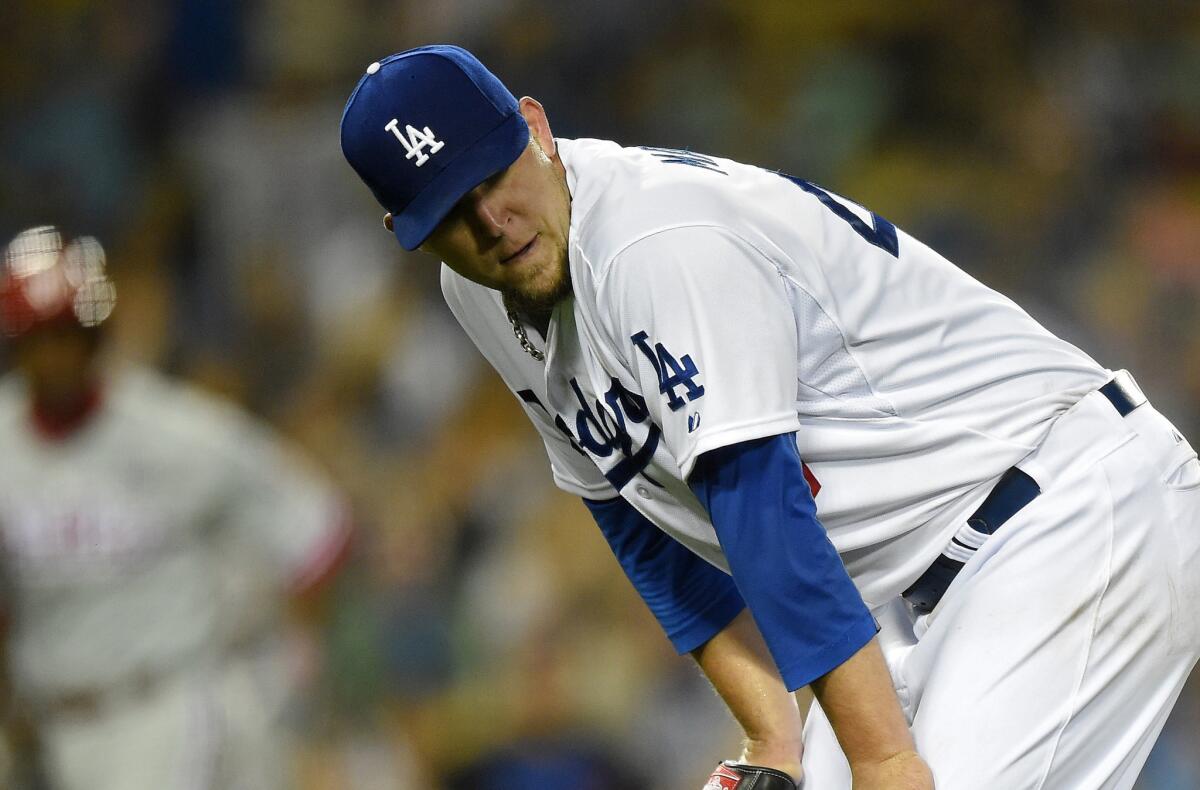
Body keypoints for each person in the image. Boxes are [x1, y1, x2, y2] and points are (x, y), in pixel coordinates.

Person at [339, 45, 1200, 790]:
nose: (490, 222)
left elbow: (761, 510)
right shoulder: (480, 290)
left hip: (1065, 512)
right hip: (914, 591)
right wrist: (772, 734)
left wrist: (885, 764)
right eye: (451, 211)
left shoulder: (653, 240)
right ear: (404, 229)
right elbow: (630, 513)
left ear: (534, 126)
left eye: (492, 176)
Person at [0, 226, 352, 790]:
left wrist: (291, 663)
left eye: (67, 334)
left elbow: (317, 532)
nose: (54, 355)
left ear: (96, 335)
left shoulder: (176, 433)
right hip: (46, 728)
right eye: (38, 339)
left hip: (160, 710)